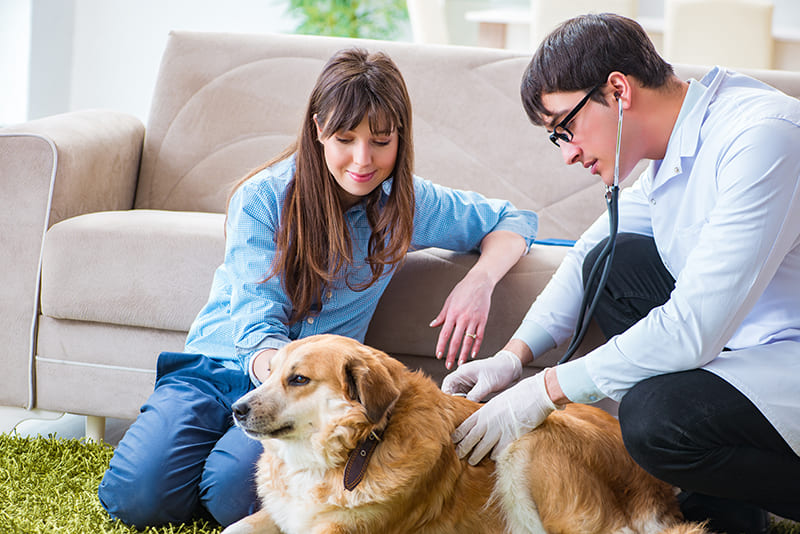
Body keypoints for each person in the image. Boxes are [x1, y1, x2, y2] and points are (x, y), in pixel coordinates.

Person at [96, 48, 537, 528]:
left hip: (306, 398)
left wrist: (479, 280)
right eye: (345, 138)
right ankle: (202, 454)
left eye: (381, 140)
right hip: (219, 367)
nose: (362, 160)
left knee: (228, 495)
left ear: (400, 138)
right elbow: (254, 326)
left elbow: (512, 219)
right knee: (134, 499)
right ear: (318, 129)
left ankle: (219, 468)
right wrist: (279, 387)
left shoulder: (406, 204)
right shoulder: (263, 198)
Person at [443, 13, 800, 534]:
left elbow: (694, 327)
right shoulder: (668, 153)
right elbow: (589, 256)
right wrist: (511, 357)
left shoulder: (763, 139)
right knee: (613, 267)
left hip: (787, 353)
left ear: (617, 90)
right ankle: (727, 519)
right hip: (749, 339)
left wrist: (542, 391)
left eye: (565, 127)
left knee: (654, 422)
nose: (567, 154)